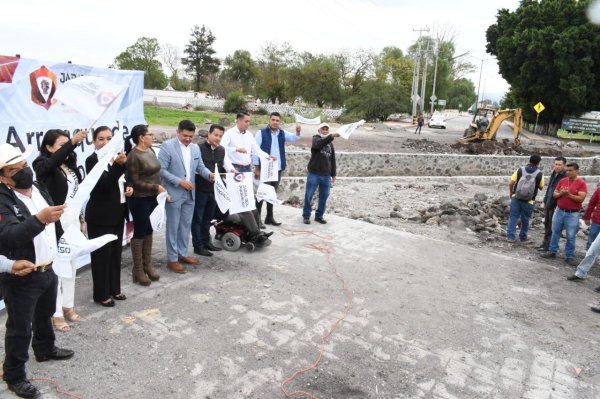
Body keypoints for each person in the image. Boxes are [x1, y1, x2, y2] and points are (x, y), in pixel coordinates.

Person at [0, 143, 74, 399]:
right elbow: (9, 236)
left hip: (47, 267)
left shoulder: (37, 188)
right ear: (3, 178)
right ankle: (14, 375)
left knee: (44, 314)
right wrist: (39, 219)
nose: (24, 170)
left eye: (24, 164)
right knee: (20, 327)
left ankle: (44, 348)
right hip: (22, 275)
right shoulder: (3, 200)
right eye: (15, 169)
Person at [32, 129, 87, 332]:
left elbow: (78, 195)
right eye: (61, 145)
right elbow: (51, 163)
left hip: (72, 220)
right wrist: (71, 142)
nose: (67, 148)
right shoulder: (42, 165)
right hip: (55, 222)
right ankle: (55, 314)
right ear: (48, 147)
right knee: (58, 268)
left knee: (71, 266)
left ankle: (68, 305)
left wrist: (82, 219)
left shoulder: (70, 167)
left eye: (68, 144)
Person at [85, 126, 132, 307]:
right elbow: (103, 186)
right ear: (94, 142)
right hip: (100, 216)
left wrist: (129, 187)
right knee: (101, 256)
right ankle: (101, 294)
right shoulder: (92, 160)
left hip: (118, 213)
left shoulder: (117, 157)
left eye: (109, 138)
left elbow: (122, 180)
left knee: (115, 254)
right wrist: (118, 165)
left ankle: (115, 288)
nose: (105, 142)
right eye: (101, 139)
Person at [158, 120, 203, 273]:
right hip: (174, 193)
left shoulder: (196, 148)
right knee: (173, 227)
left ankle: (182, 254)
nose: (188, 139)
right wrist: (179, 182)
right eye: (185, 135)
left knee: (185, 226)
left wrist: (210, 175)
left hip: (190, 195)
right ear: (178, 132)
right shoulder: (167, 146)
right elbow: (161, 170)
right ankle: (172, 259)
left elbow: (200, 167)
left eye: (191, 136)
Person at [126, 125, 165, 285]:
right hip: (139, 198)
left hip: (153, 197)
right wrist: (156, 188)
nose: (152, 136)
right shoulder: (133, 156)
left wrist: (161, 192)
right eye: (149, 134)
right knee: (140, 231)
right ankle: (138, 270)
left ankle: (147, 265)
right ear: (141, 137)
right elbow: (134, 181)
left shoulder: (151, 151)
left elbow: (156, 175)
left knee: (149, 230)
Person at [192, 124, 235, 257]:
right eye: (215, 135)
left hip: (215, 190)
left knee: (208, 218)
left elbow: (225, 167)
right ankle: (197, 245)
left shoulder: (221, 150)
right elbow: (194, 168)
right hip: (200, 189)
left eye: (220, 136)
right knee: (197, 218)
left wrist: (234, 172)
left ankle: (206, 241)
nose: (218, 138)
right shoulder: (197, 148)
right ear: (209, 134)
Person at [253, 112, 301, 227]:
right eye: (273, 120)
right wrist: (257, 168)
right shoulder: (261, 133)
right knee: (261, 194)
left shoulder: (282, 133)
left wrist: (298, 132)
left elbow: (294, 138)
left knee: (272, 194)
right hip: (265, 169)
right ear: (269, 120)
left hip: (278, 169)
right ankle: (257, 219)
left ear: (280, 122)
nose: (275, 122)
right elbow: (254, 151)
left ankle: (269, 217)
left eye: (277, 120)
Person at [542, 162, 587, 265]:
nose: (568, 172)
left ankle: (570, 255)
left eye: (570, 170)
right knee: (555, 232)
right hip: (559, 211)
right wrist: (561, 193)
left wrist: (569, 195)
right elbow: (555, 194)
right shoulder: (563, 181)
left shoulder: (581, 183)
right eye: (567, 170)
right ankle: (552, 251)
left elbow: (581, 198)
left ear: (577, 171)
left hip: (572, 213)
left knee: (571, 235)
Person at [302, 123, 339, 225]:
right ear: (319, 130)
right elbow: (319, 144)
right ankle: (306, 215)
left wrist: (333, 174)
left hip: (326, 175)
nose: (325, 131)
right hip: (314, 173)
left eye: (327, 129)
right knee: (309, 195)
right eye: (323, 129)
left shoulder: (330, 143)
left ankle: (319, 216)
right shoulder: (316, 139)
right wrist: (331, 136)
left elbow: (332, 159)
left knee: (324, 196)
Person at [506, 154, 544, 243]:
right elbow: (541, 187)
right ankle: (523, 237)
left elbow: (511, 183)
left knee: (513, 217)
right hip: (529, 200)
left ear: (529, 160)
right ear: (538, 163)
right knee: (525, 219)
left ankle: (510, 237)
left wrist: (511, 193)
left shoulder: (520, 170)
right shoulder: (539, 174)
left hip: (516, 197)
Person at [536, 157, 567, 251]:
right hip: (549, 203)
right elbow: (549, 188)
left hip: (556, 205)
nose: (557, 166)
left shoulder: (565, 176)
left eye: (559, 165)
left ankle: (551, 246)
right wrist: (545, 201)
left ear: (564, 165)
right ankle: (545, 243)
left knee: (552, 227)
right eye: (556, 164)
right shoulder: (554, 173)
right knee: (547, 224)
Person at [583, 185, 600, 250]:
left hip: (597, 220)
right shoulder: (599, 190)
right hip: (597, 221)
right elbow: (591, 204)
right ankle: (588, 257)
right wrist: (587, 217)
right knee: (591, 243)